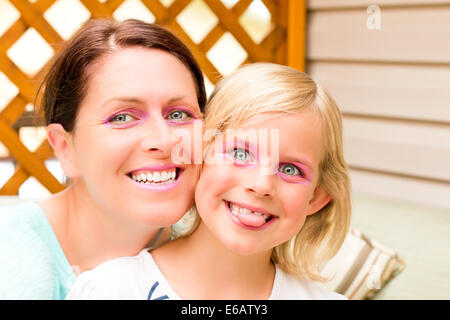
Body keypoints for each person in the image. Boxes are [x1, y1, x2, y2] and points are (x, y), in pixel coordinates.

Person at [66, 63, 352, 300]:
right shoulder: (111, 290)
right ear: (199, 156)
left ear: (317, 198)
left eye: (290, 170)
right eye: (240, 153)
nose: (261, 185)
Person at [0, 19, 206, 299]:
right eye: (122, 117)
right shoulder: (13, 266)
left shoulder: (215, 247)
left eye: (178, 114)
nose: (162, 140)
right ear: (64, 148)